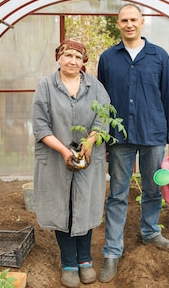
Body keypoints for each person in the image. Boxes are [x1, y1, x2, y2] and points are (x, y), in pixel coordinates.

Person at [97, 3, 169, 283]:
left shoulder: (159, 56)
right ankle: (112, 251)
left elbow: (168, 95)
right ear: (118, 24)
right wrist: (101, 135)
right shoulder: (108, 58)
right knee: (117, 195)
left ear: (143, 22)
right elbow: (101, 102)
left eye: (134, 19)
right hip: (120, 137)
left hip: (153, 134)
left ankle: (150, 232)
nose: (129, 24)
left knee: (152, 188)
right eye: (124, 20)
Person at [32, 39, 110, 288]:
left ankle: (85, 260)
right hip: (56, 157)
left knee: (85, 204)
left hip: (88, 157)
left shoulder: (95, 86)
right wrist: (64, 150)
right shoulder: (46, 86)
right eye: (68, 56)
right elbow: (40, 126)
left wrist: (89, 143)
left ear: (83, 61)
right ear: (59, 58)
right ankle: (68, 263)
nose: (72, 61)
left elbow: (103, 118)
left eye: (78, 57)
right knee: (61, 205)